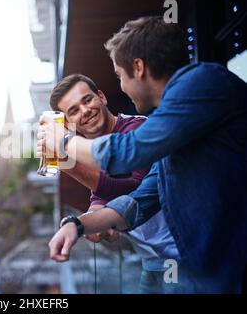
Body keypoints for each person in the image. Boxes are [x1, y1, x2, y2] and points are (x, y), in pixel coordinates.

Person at [39, 16, 247, 293]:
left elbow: (127, 155)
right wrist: (75, 225)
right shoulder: (174, 122)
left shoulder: (201, 84)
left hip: (220, 266)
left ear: (138, 68)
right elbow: (141, 199)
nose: (122, 86)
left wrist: (63, 144)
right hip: (200, 266)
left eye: (119, 76)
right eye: (73, 111)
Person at [49, 73, 179, 293]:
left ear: (101, 97)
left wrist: (66, 163)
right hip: (152, 259)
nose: (85, 111)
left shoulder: (137, 129)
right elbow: (100, 199)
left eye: (87, 100)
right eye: (74, 111)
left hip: (179, 256)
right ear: (68, 123)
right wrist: (86, 224)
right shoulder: (93, 152)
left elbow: (134, 187)